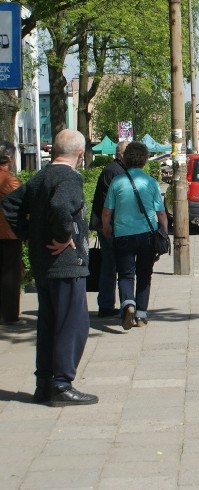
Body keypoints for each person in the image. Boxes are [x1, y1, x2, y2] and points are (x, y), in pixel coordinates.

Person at [1, 129, 98, 406]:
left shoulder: (41, 176)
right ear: (80, 154)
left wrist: (30, 235)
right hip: (65, 264)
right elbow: (59, 206)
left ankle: (43, 383)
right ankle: (61, 384)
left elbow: (11, 204)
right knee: (73, 325)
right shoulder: (69, 177)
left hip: (44, 264)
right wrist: (63, 236)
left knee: (48, 323)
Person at [101, 141, 167, 331]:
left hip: (123, 235)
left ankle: (128, 304)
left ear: (126, 159)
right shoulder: (150, 182)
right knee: (144, 275)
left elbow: (107, 212)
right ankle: (141, 315)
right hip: (147, 235)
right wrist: (163, 232)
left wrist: (106, 228)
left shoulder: (117, 182)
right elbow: (161, 213)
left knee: (125, 274)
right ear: (145, 161)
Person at [89, 140, 128, 318]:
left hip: (110, 225)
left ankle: (109, 304)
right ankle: (107, 305)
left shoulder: (115, 170)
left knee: (112, 265)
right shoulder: (114, 171)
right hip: (110, 227)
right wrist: (108, 226)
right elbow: (110, 204)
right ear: (120, 155)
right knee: (111, 265)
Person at [0, 141, 23, 324]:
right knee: (10, 274)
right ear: (9, 158)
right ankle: (8, 315)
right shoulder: (10, 180)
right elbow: (22, 207)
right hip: (8, 234)